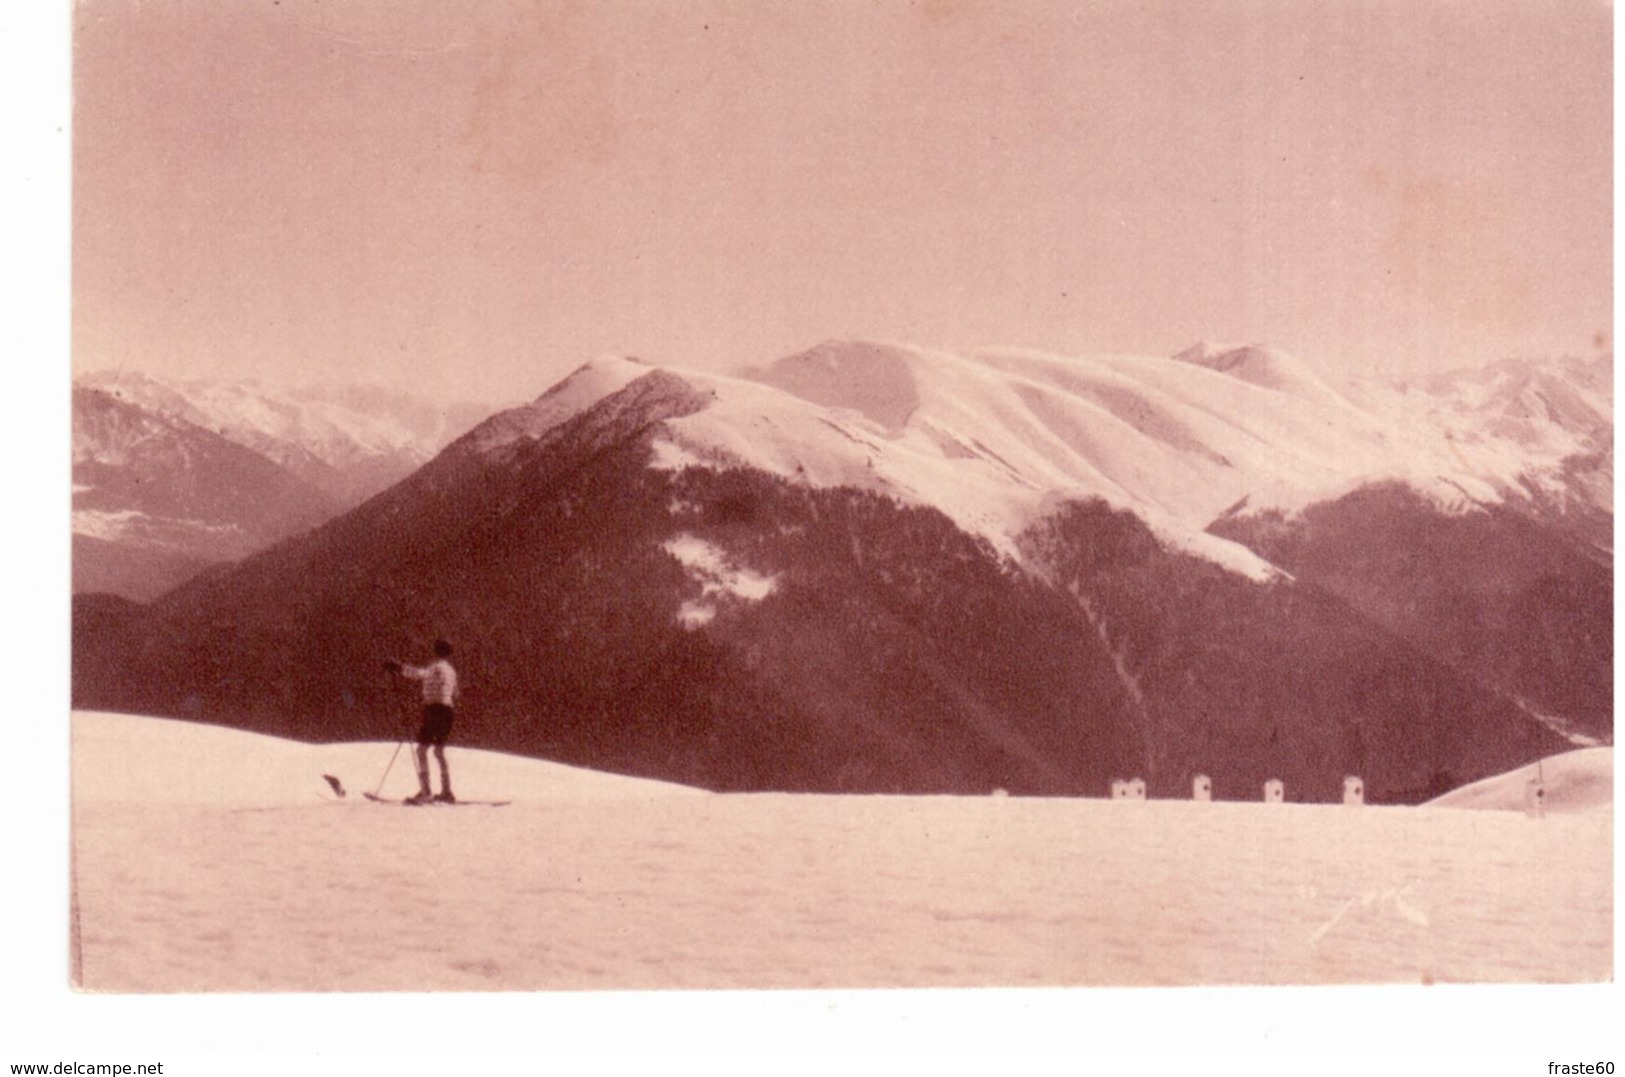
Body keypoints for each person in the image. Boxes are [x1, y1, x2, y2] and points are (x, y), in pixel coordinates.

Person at [384, 639, 459, 804]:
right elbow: (456, 694)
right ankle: (447, 791)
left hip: (434, 710)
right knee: (439, 752)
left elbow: (419, 674)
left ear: (435, 652)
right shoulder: (451, 671)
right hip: (447, 711)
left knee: (421, 750)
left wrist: (398, 667)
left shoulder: (435, 667)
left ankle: (426, 791)